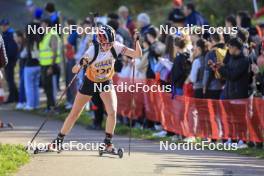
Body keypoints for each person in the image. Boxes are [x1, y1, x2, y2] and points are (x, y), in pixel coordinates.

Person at [50, 25, 142, 152]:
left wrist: (137, 41)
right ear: (99, 41)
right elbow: (74, 69)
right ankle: (58, 141)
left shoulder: (116, 46)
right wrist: (82, 63)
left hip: (105, 83)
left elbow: (137, 54)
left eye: (109, 44)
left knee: (112, 112)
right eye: (104, 44)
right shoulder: (93, 50)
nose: (107, 47)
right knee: (75, 113)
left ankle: (107, 143)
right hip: (90, 83)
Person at [39, 19, 62, 112]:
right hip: (44, 65)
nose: (41, 27)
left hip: (50, 65)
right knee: (46, 87)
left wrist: (51, 67)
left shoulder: (52, 35)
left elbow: (54, 51)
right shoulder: (46, 35)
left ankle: (53, 107)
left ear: (47, 24)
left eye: (42, 24)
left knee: (51, 88)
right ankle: (49, 107)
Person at [0, 19, 19, 103]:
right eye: (2, 25)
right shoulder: (4, 35)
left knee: (10, 79)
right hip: (8, 61)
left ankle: (12, 98)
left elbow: (11, 50)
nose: (4, 27)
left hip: (9, 61)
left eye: (5, 25)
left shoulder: (9, 35)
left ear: (8, 26)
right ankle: (16, 96)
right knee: (9, 79)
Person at [14, 31, 27, 109]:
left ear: (20, 37)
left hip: (25, 67)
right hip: (22, 66)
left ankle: (22, 101)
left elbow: (22, 55)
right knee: (22, 84)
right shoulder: (20, 45)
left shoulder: (24, 44)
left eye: (16, 37)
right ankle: (22, 101)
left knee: (23, 85)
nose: (15, 39)